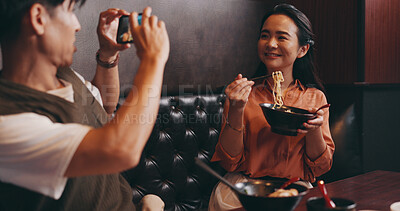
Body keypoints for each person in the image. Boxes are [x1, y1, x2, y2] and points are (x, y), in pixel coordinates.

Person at [0, 0, 169, 210]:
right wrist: (153, 59)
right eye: (70, 11)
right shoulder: (7, 121)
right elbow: (122, 150)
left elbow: (104, 107)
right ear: (38, 19)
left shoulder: (65, 75)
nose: (77, 24)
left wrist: (108, 54)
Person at [209, 4, 335, 210]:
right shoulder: (242, 95)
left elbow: (321, 167)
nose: (271, 44)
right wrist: (236, 109)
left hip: (293, 189)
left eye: (282, 37)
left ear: (302, 49)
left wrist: (313, 131)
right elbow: (229, 162)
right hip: (242, 190)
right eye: (265, 36)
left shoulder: (314, 98)